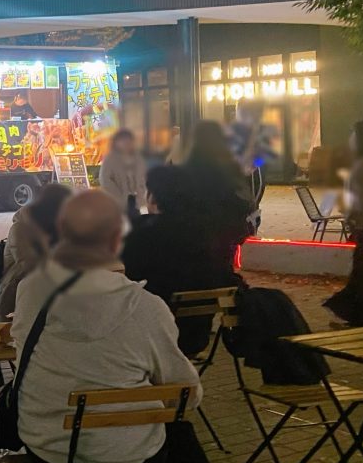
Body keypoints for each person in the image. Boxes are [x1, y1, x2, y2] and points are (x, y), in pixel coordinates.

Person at [13, 191, 277, 463]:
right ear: (117, 239)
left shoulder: (32, 289)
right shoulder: (144, 308)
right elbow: (187, 394)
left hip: (43, 451)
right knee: (168, 425)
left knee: (160, 424)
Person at [123, 166, 241, 355]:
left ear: (153, 196)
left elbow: (129, 272)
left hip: (149, 334)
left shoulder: (142, 233)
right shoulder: (211, 233)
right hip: (195, 334)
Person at [181, 120, 255, 273]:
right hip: (224, 231)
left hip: (195, 231)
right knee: (222, 267)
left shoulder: (187, 169)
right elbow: (241, 199)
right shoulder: (229, 168)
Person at [0, 182, 72, 320]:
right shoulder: (21, 229)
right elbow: (31, 266)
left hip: (49, 295)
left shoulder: (60, 229)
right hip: (16, 297)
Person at [325, 121, 363, 326]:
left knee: (361, 274)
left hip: (362, 226)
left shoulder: (359, 167)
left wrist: (352, 218)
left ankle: (357, 319)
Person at [99, 128, 148, 219]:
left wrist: (143, 193)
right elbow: (105, 180)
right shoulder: (110, 159)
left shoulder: (138, 158)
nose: (126, 143)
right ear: (116, 142)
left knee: (142, 220)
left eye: (129, 140)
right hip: (119, 201)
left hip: (139, 199)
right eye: (123, 141)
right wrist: (118, 196)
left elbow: (143, 177)